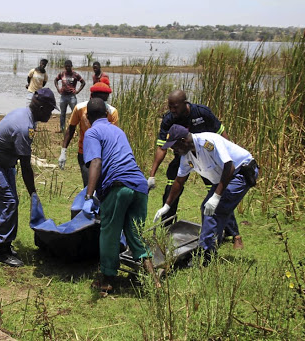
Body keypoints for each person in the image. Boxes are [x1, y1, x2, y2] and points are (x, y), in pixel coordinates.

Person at [0, 88, 59, 267]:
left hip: (2, 163)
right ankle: (1, 249)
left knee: (11, 202)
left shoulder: (27, 116)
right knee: (8, 202)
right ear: (41, 107)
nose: (51, 114)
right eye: (50, 110)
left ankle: (6, 242)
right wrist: (33, 193)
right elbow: (26, 166)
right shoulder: (24, 127)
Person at [82, 98, 161, 294]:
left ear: (87, 117)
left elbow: (96, 162)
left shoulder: (92, 132)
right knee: (136, 235)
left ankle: (107, 279)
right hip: (139, 186)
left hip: (118, 187)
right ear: (107, 114)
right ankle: (154, 281)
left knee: (109, 232)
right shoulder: (118, 131)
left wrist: (89, 195)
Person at [147, 90, 243, 249]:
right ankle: (167, 228)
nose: (172, 110)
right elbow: (161, 148)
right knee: (172, 187)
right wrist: (152, 175)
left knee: (217, 193)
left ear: (185, 103)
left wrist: (227, 157)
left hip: (208, 157)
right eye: (170, 107)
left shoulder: (202, 113)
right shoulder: (168, 119)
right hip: (183, 156)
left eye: (175, 107)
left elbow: (223, 135)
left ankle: (234, 234)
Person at [153, 125, 258, 264]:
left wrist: (216, 196)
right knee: (207, 208)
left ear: (184, 140)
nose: (174, 150)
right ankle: (209, 247)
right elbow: (179, 181)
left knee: (214, 210)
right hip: (224, 176)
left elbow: (230, 166)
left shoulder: (208, 142)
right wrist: (167, 205)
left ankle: (206, 255)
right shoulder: (186, 155)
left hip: (240, 173)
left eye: (175, 146)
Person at [58, 79, 118, 187]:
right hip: (85, 152)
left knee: (102, 185)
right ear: (91, 96)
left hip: (103, 153)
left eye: (104, 100)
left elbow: (113, 137)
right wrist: (63, 151)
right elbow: (71, 129)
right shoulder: (80, 108)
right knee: (88, 184)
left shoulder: (112, 112)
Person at [54, 60, 86, 133]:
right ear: (65, 67)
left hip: (72, 97)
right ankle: (62, 129)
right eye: (66, 66)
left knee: (75, 113)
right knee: (62, 113)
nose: (67, 68)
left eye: (69, 66)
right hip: (63, 96)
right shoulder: (62, 74)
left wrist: (77, 91)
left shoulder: (75, 74)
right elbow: (55, 80)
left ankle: (75, 129)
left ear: (71, 66)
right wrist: (58, 89)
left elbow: (83, 82)